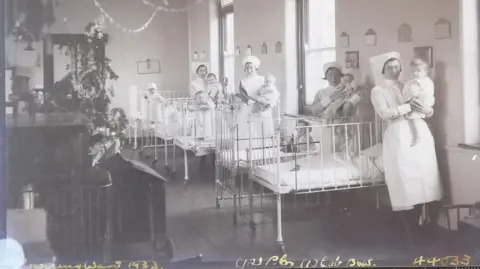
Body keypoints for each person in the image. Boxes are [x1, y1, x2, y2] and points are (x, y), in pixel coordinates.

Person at [369, 51, 443, 235]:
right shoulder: (379, 90)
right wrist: (408, 106)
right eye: (390, 67)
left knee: (425, 175)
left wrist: (426, 109)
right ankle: (407, 230)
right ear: (382, 70)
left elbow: (428, 108)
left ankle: (423, 226)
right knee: (405, 178)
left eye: (397, 67)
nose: (395, 70)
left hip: (420, 131)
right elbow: (385, 113)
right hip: (398, 133)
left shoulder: (411, 84)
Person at [403, 58, 435, 147]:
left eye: (418, 71)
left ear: (426, 72)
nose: (415, 73)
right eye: (413, 71)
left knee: (413, 120)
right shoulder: (412, 82)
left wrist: (424, 103)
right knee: (410, 120)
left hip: (420, 103)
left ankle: (416, 137)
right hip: (412, 103)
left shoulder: (426, 82)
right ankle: (414, 136)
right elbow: (407, 92)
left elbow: (426, 94)